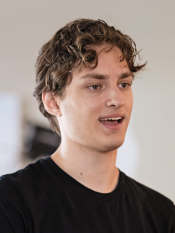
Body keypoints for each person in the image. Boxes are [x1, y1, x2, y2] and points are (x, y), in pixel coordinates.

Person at [0, 18, 174, 233]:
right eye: (94, 86)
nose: (116, 99)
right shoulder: (10, 202)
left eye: (124, 84)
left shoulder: (160, 213)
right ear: (53, 102)